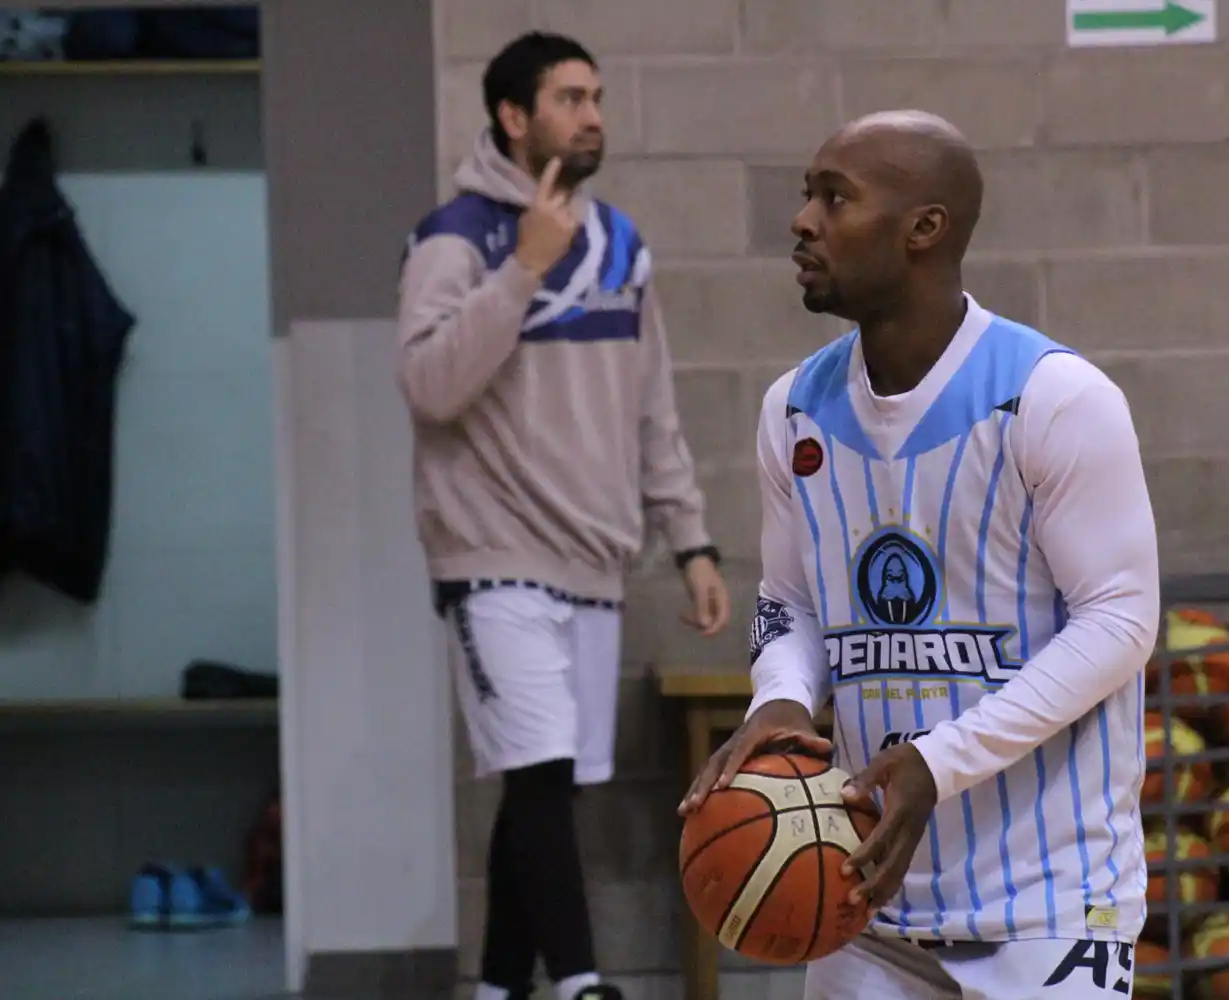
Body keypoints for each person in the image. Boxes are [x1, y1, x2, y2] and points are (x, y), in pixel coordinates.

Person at [680, 110, 1160, 1000]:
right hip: (864, 897)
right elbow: (790, 602)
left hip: (1048, 903)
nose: (803, 220)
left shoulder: (1054, 398)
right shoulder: (794, 410)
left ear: (924, 230)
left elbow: (1122, 621)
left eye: (836, 197)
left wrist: (940, 763)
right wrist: (780, 698)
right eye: (806, 195)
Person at [396, 31, 731, 1000]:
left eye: (597, 96)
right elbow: (429, 385)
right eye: (569, 98)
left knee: (537, 780)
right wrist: (521, 272)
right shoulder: (453, 238)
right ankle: (585, 983)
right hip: (491, 553)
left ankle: (499, 987)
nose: (592, 116)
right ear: (514, 116)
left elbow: (651, 405)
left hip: (593, 558)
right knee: (539, 774)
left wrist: (692, 538)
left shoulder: (621, 245)